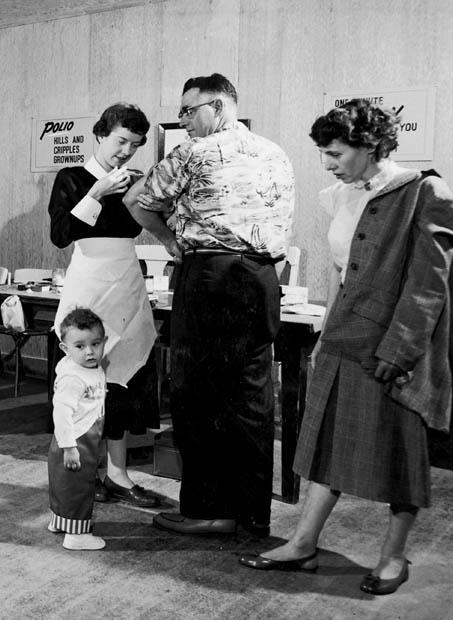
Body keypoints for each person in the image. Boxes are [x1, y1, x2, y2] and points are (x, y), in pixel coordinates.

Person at [239, 99, 453, 596]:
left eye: (335, 151)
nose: (327, 161)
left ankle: (394, 556)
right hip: (345, 338)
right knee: (325, 445)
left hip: (396, 347)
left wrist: (399, 352)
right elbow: (342, 271)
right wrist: (325, 336)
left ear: (370, 146)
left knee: (402, 456)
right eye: (323, 151)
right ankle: (303, 543)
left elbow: (429, 284)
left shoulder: (425, 192)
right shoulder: (341, 195)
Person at [123, 73, 294, 536]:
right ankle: (253, 514)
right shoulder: (275, 153)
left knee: (197, 394)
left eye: (187, 111)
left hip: (210, 277)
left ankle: (206, 510)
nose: (183, 121)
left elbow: (135, 200)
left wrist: (171, 241)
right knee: (253, 398)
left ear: (217, 107)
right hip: (261, 278)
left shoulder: (193, 153)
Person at [48, 102, 162, 508]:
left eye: (134, 144)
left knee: (122, 382)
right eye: (120, 141)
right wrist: (96, 193)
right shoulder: (72, 177)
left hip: (127, 283)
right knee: (83, 382)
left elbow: (144, 223)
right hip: (89, 282)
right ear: (100, 135)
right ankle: (85, 470)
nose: (125, 151)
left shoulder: (133, 180)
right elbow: (61, 234)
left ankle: (118, 473)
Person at [48, 308, 109, 551]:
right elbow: (61, 412)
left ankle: (59, 520)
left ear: (104, 342)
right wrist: (70, 447)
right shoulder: (73, 377)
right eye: (80, 346)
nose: (90, 352)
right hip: (77, 438)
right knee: (79, 486)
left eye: (95, 344)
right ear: (65, 348)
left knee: (64, 484)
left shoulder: (87, 367)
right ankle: (77, 535)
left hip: (84, 433)